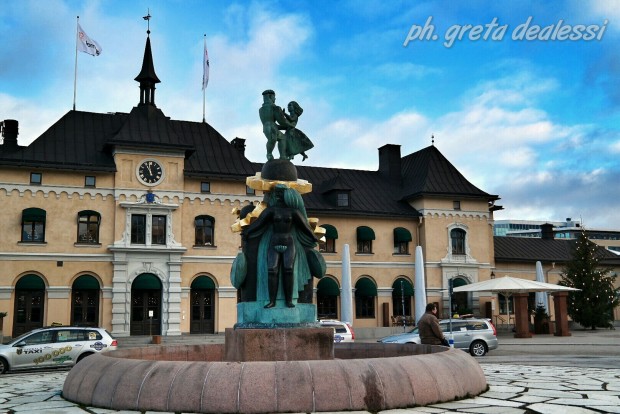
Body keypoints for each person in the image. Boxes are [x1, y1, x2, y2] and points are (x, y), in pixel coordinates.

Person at [258, 90, 293, 161]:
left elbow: (272, 123)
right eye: (274, 97)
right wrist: (290, 125)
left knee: (281, 138)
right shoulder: (275, 108)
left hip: (266, 128)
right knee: (273, 140)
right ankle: (270, 154)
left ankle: (281, 156)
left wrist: (286, 126)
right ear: (270, 96)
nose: (275, 99)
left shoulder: (261, 109)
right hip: (272, 128)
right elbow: (282, 121)